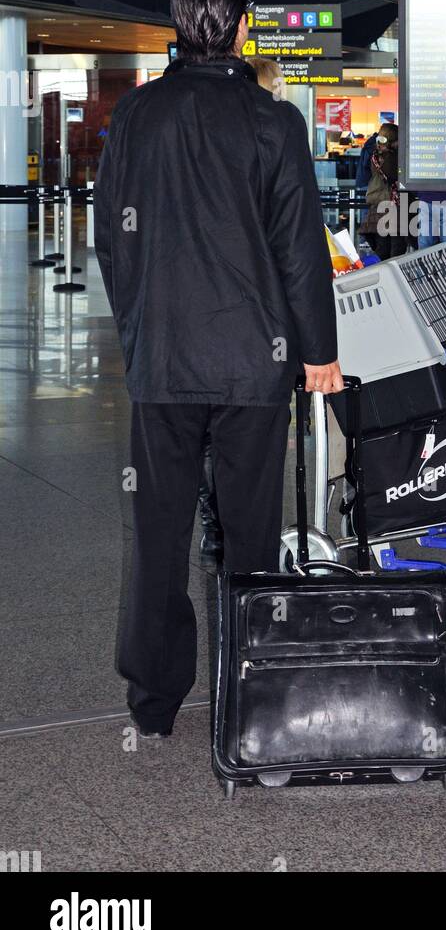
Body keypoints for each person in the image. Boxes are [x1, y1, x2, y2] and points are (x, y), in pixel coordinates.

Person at [95, 0, 343, 739]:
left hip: (163, 363)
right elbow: (300, 249)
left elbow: (110, 239)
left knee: (158, 534)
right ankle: (250, 687)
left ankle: (154, 700)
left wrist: (141, 326)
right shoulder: (273, 122)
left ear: (179, 27)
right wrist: (317, 352)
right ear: (242, 26)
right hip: (252, 361)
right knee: (250, 531)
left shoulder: (137, 116)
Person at [196, 52, 285, 564]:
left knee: (208, 434)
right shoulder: (270, 136)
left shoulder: (201, 144)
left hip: (197, 321)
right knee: (242, 441)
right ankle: (238, 538)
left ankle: (214, 523)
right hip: (252, 324)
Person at [362, 122, 403, 259]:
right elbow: (393, 176)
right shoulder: (391, 157)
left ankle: (384, 276)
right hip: (392, 205)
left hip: (378, 204)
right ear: (392, 141)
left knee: (383, 247)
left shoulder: (374, 154)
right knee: (396, 248)